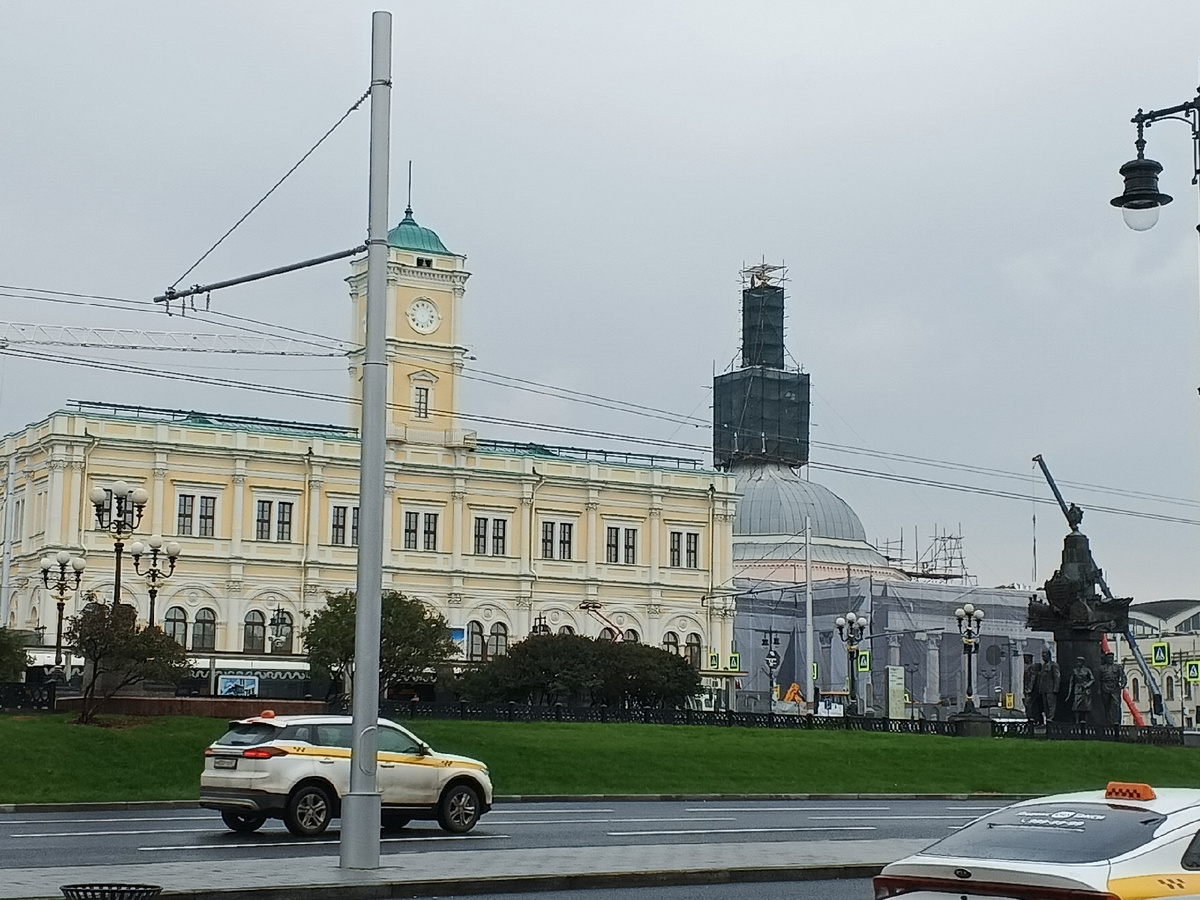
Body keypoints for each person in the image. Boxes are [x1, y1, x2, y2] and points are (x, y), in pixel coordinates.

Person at [1097, 651, 1126, 726]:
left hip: (1115, 687)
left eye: (1112, 658)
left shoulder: (1117, 667)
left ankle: (1116, 722)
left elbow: (1123, 677)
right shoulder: (1102, 668)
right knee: (1107, 706)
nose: (1111, 659)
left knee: (1116, 704)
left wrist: (1123, 684)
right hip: (1105, 687)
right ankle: (1108, 722)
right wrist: (1099, 689)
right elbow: (1098, 679)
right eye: (1109, 658)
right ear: (1106, 659)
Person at [1068, 656, 1096, 724]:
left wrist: (1087, 685)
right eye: (1077, 662)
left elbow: (1092, 679)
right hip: (1077, 689)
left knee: (1086, 707)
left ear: (1083, 663)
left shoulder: (1087, 670)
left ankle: (1086, 721)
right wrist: (1069, 694)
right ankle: (1077, 721)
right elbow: (1071, 682)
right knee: (1076, 706)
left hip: (1085, 690)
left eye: (1080, 662)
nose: (1078, 663)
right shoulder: (1074, 670)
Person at [1037, 647, 1060, 724]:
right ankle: (1047, 718)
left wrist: (1056, 688)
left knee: (1051, 705)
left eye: (1044, 655)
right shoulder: (1043, 666)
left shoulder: (1054, 665)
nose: (1043, 657)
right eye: (1042, 656)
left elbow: (1057, 677)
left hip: (1051, 689)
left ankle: (1051, 718)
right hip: (1044, 689)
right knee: (1045, 705)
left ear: (1049, 655)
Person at [1022, 652, 1042, 724]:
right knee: (1029, 704)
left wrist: (1029, 689)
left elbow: (1032, 678)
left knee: (1029, 704)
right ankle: (1031, 717)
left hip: (1030, 690)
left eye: (1026, 658)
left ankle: (1031, 717)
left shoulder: (1031, 667)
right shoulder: (1026, 666)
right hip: (1027, 689)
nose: (1025, 659)